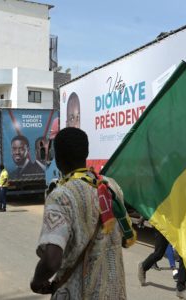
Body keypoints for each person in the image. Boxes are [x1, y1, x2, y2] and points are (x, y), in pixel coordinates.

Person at [31, 127, 131, 299]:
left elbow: (51, 260)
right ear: (86, 152)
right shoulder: (110, 186)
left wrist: (36, 282)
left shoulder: (61, 196)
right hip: (114, 292)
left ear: (58, 158)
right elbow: (123, 236)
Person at [138, 229, 186, 299]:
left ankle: (180, 289)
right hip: (163, 225)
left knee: (184, 257)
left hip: (179, 228)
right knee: (159, 254)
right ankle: (143, 266)